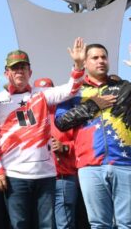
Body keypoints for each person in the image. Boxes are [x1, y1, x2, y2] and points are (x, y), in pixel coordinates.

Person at [0, 38, 86, 229]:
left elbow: (72, 89)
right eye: (15, 68)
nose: (19, 72)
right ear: (7, 73)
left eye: (23, 67)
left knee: (47, 225)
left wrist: (79, 65)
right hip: (14, 175)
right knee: (19, 224)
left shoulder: (42, 93)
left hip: (45, 175)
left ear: (30, 72)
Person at [55, 43, 131, 228]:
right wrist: (93, 105)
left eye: (103, 57)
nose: (100, 61)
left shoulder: (124, 87)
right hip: (90, 165)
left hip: (124, 163)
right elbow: (61, 122)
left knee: (126, 223)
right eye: (95, 58)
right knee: (98, 224)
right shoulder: (73, 91)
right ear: (86, 62)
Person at [34, 77, 79, 229]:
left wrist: (64, 147)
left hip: (63, 177)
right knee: (42, 223)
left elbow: (82, 143)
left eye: (48, 90)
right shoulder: (30, 118)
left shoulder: (67, 115)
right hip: (37, 179)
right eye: (41, 91)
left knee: (64, 224)